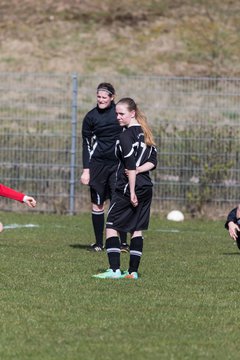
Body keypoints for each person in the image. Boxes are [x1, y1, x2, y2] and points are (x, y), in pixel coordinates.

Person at [93, 97, 157, 279]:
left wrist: (131, 190)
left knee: (111, 225)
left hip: (129, 186)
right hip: (146, 186)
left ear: (132, 113)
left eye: (121, 114)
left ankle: (114, 270)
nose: (118, 117)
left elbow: (129, 165)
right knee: (137, 229)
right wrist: (138, 170)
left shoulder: (125, 136)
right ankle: (133, 272)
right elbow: (152, 162)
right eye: (116, 114)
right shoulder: (146, 133)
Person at [80, 83, 128, 252]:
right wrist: (86, 170)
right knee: (97, 204)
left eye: (104, 97)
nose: (100, 100)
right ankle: (99, 243)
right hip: (98, 165)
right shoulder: (90, 117)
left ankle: (122, 242)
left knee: (119, 201)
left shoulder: (119, 114)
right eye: (98, 97)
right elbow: (86, 145)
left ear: (112, 97)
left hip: (117, 164)